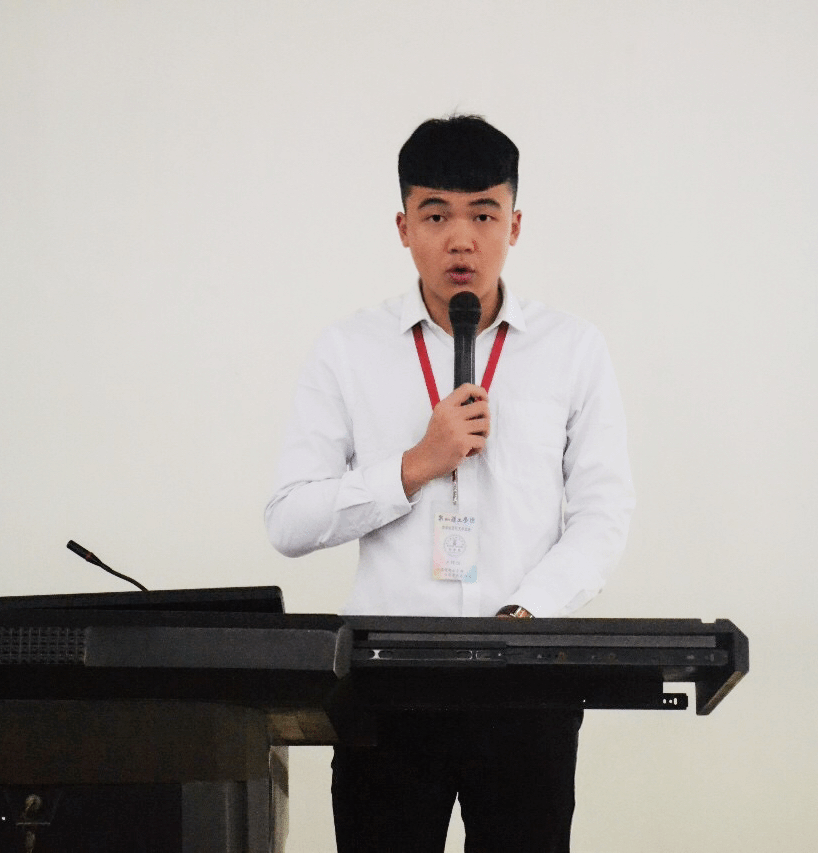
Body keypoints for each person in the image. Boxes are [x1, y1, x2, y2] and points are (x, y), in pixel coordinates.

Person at [265, 115, 634, 853]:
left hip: (525, 682)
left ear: (515, 224)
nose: (461, 239)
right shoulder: (348, 350)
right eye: (436, 215)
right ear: (404, 227)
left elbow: (604, 513)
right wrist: (414, 466)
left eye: (483, 215)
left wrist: (525, 614)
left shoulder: (573, 349)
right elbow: (289, 519)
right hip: (385, 687)